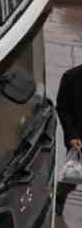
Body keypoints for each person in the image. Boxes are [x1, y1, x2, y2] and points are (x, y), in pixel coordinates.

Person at [58, 62, 82, 218]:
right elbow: (62, 108)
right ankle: (58, 202)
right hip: (78, 140)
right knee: (71, 176)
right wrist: (72, 135)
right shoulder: (71, 77)